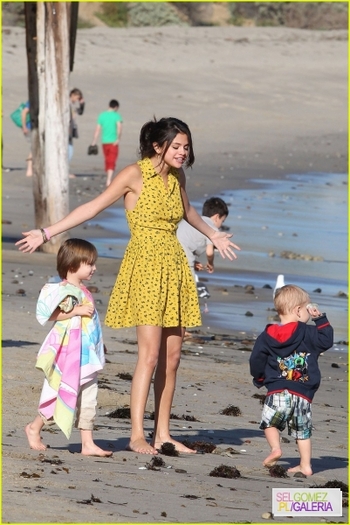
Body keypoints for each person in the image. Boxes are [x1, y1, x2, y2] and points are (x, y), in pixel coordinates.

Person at [16, 116, 240, 455]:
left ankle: (162, 433)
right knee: (149, 356)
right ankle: (137, 435)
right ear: (157, 145)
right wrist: (46, 232)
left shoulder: (176, 176)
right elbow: (92, 207)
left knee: (173, 356)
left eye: (186, 147)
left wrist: (214, 234)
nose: (182, 152)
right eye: (176, 146)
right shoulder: (134, 174)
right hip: (146, 266)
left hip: (174, 266)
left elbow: (189, 211)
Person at [25, 238, 112, 457]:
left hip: (87, 353)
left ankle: (87, 443)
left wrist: (98, 345)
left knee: (89, 398)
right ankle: (34, 427)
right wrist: (75, 311)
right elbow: (50, 315)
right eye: (89, 263)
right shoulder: (64, 290)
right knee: (59, 393)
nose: (94, 268)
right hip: (69, 356)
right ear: (73, 265)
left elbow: (90, 324)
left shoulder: (83, 290)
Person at [249, 284, 333, 476]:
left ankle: (275, 448)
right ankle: (305, 465)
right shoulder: (309, 333)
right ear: (298, 310)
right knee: (302, 431)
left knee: (270, 422)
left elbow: (256, 359)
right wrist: (320, 319)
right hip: (302, 392)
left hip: (277, 389)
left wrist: (260, 376)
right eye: (306, 308)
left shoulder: (267, 335)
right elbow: (326, 341)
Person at [177, 196, 229, 281]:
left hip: (170, 251)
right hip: (185, 257)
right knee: (188, 286)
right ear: (216, 217)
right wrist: (210, 263)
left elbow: (185, 241)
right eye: (222, 221)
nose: (221, 225)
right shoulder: (211, 229)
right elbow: (209, 252)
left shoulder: (194, 220)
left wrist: (194, 263)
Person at [90, 99, 123, 187]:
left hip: (104, 142)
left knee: (107, 159)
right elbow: (119, 128)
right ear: (116, 107)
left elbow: (97, 129)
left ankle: (108, 177)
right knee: (112, 160)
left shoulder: (102, 115)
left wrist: (94, 141)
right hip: (113, 142)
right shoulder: (117, 115)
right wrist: (118, 139)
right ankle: (108, 180)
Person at [68, 88, 85, 178]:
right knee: (68, 151)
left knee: (70, 150)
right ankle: (65, 171)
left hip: (71, 129)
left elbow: (80, 112)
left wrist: (82, 104)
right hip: (67, 130)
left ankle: (65, 170)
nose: (77, 100)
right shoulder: (67, 103)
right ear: (73, 95)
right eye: (77, 98)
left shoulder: (73, 105)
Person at [21, 101, 32, 177]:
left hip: (36, 128)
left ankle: (31, 169)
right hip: (30, 128)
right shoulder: (32, 101)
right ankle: (29, 170)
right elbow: (24, 112)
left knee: (35, 148)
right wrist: (24, 127)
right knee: (34, 148)